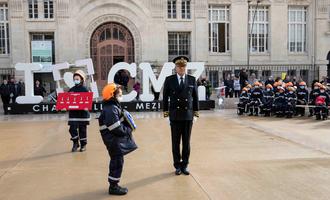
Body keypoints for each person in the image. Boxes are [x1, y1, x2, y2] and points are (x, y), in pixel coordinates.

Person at [98, 83, 137, 195]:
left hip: (113, 140)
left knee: (117, 161)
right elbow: (116, 128)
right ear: (112, 95)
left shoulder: (112, 107)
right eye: (119, 94)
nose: (121, 96)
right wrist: (128, 128)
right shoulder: (111, 109)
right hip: (113, 140)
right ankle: (113, 186)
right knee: (116, 162)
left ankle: (114, 184)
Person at [163, 56, 199, 176]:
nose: (181, 69)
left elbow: (195, 98)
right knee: (175, 142)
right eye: (179, 66)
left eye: (183, 66)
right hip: (175, 115)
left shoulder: (192, 80)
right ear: (176, 68)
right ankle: (177, 165)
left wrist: (196, 112)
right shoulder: (169, 80)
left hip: (188, 115)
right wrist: (166, 112)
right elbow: (165, 97)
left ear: (186, 67)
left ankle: (185, 165)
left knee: (186, 142)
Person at [68, 70, 90, 152]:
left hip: (82, 114)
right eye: (74, 79)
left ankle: (83, 145)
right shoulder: (71, 90)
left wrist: (85, 106)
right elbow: (67, 101)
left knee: (82, 129)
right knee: (72, 129)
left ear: (81, 79)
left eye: (77, 78)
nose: (76, 80)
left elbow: (88, 101)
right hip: (73, 114)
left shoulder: (85, 89)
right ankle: (75, 143)